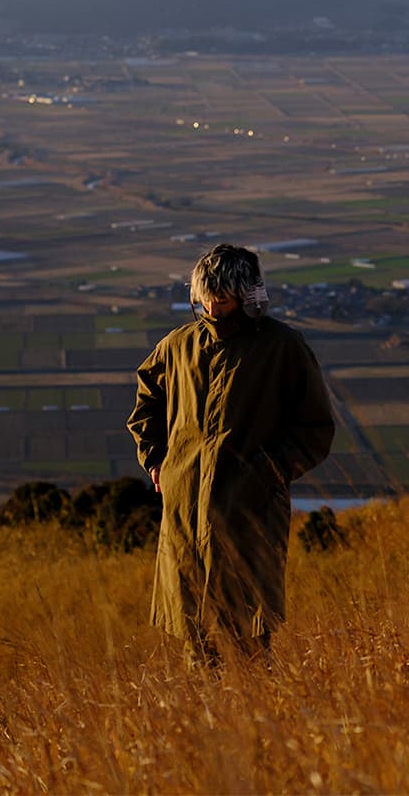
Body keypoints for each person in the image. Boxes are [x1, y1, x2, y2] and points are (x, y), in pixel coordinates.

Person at [127, 243, 334, 659]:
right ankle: (205, 724)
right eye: (205, 300)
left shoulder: (283, 348)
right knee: (195, 642)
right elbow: (146, 401)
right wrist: (156, 461)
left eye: (221, 301)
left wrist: (266, 475)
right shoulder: (178, 346)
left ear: (248, 297)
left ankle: (256, 722)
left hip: (250, 513)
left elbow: (315, 429)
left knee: (249, 643)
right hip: (184, 508)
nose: (212, 310)